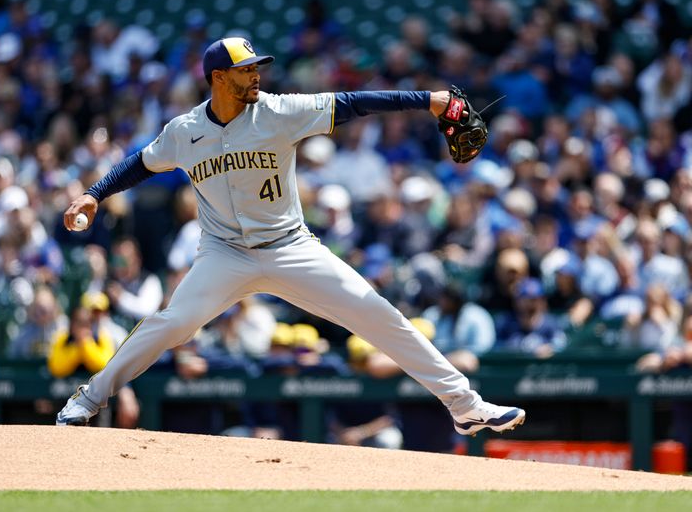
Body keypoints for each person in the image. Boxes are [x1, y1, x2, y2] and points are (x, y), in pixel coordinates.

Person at [55, 37, 525, 437]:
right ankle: (88, 399)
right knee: (173, 323)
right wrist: (96, 194)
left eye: (258, 66)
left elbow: (356, 102)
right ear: (219, 78)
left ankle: (465, 406)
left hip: (289, 247)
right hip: (225, 254)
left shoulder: (279, 112)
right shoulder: (185, 131)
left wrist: (431, 99)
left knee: (377, 313)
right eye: (246, 70)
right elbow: (142, 161)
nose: (257, 75)